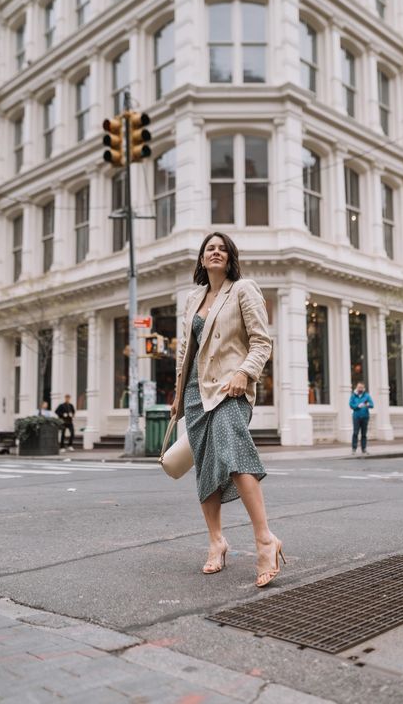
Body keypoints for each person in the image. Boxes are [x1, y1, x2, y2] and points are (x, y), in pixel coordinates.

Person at [171, 232, 285, 588]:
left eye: (222, 248)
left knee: (234, 454)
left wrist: (243, 372)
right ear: (202, 259)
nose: (216, 252)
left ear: (230, 257)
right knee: (205, 467)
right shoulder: (193, 299)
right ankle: (216, 540)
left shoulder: (243, 289)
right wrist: (177, 396)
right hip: (194, 392)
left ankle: (265, 539)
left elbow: (261, 342)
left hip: (228, 388)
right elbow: (184, 353)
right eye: (210, 249)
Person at [349, 382, 374, 455]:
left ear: (363, 388)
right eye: (359, 387)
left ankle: (364, 449)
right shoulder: (353, 396)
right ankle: (354, 449)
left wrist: (367, 404)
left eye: (361, 387)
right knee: (355, 433)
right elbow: (351, 405)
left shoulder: (367, 396)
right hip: (356, 417)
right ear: (356, 387)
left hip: (365, 417)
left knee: (364, 434)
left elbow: (372, 405)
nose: (360, 389)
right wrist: (357, 406)